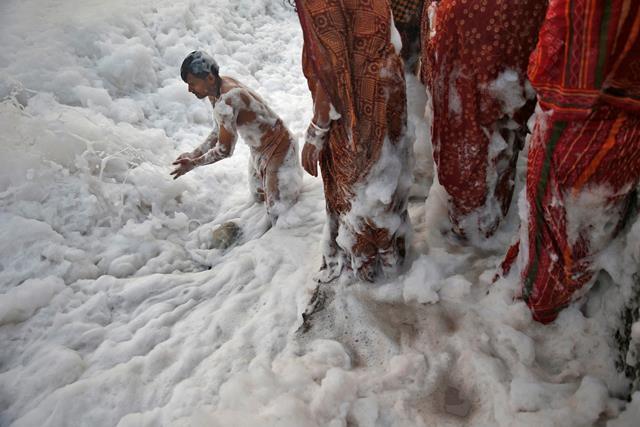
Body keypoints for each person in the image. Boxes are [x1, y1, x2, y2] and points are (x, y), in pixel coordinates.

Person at [500, 0, 640, 323]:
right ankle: (547, 315)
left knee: (561, 223)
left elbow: (568, 58)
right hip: (613, 113)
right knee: (575, 232)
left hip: (581, 114)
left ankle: (542, 319)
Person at [295, 0, 412, 282]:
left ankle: (371, 278)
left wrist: (316, 131)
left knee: (359, 196)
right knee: (385, 184)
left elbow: (333, 65)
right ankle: (395, 265)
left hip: (356, 106)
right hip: (387, 86)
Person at [420, 0, 548, 243]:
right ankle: (482, 226)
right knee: (491, 151)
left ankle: (473, 229)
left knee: (473, 156)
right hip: (490, 87)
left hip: (474, 89)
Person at [171, 51, 302, 226]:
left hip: (280, 149)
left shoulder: (228, 100)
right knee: (259, 197)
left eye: (192, 84)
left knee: (279, 216)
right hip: (258, 151)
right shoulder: (217, 89)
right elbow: (218, 130)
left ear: (209, 78)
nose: (189, 89)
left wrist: (193, 164)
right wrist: (193, 154)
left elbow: (225, 150)